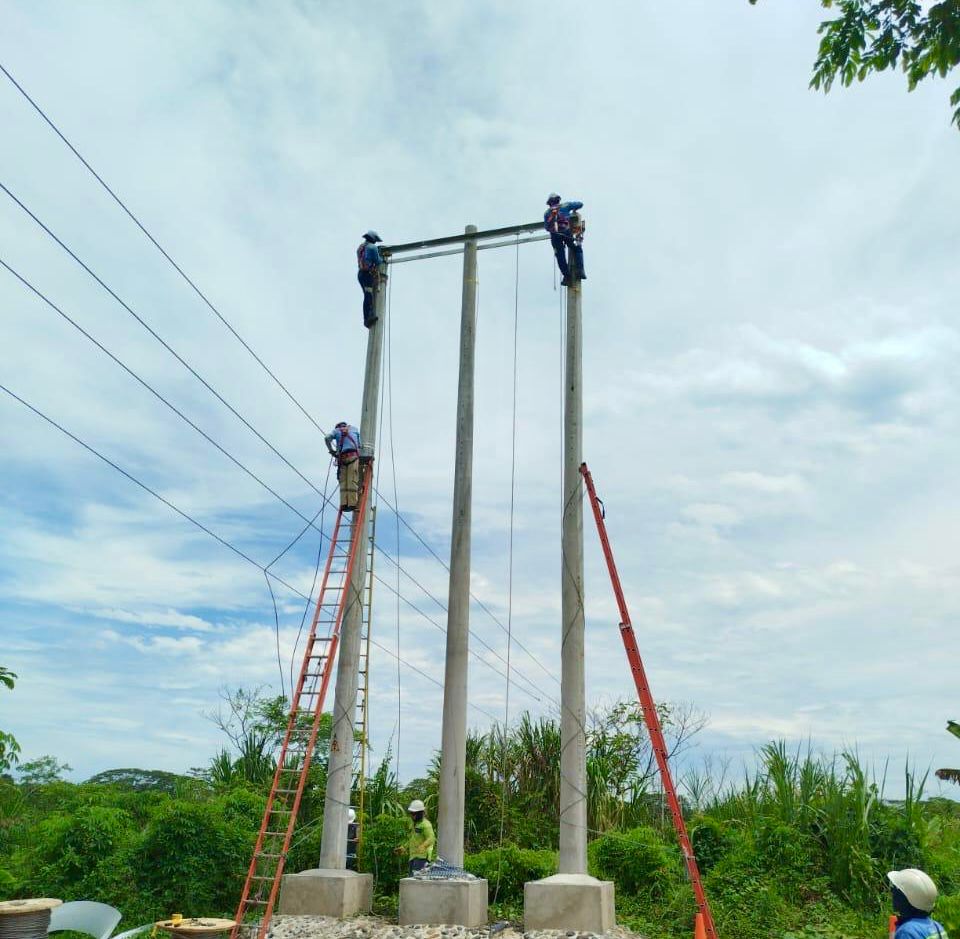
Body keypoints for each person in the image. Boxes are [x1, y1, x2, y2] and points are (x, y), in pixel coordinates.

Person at [888, 868, 948, 938]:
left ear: (903, 899)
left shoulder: (907, 932)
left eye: (895, 892)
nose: (892, 895)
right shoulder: (937, 926)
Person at [544, 193, 586, 286]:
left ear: (549, 203)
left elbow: (546, 227)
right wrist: (574, 210)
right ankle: (580, 270)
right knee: (576, 248)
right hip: (566, 232)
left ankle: (567, 277)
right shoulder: (565, 205)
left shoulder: (547, 213)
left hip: (555, 236)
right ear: (558, 200)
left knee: (560, 257)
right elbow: (580, 204)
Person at [325, 421, 361, 511]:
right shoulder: (354, 429)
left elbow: (327, 438)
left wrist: (331, 450)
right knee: (352, 480)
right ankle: (352, 504)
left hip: (343, 459)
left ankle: (344, 504)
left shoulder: (336, 431)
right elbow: (359, 446)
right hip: (353, 457)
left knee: (343, 482)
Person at [357, 230, 386, 328]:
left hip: (360, 274)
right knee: (368, 295)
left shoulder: (360, 247)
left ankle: (369, 314)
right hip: (367, 274)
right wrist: (383, 259)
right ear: (373, 239)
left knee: (367, 295)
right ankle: (368, 318)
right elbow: (377, 261)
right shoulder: (372, 248)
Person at [405, 798, 435, 875]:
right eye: (411, 813)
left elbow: (431, 838)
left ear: (420, 813)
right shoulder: (414, 824)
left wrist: (423, 846)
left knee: (417, 879)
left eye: (414, 814)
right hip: (413, 856)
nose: (412, 816)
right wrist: (404, 847)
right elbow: (412, 839)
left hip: (422, 857)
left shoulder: (426, 824)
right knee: (411, 878)